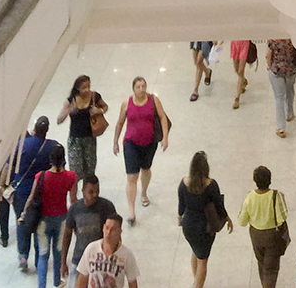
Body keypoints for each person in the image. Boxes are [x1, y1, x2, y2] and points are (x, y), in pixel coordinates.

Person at [18, 142, 77, 288]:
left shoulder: (41, 176)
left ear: (50, 159)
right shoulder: (71, 177)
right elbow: (73, 201)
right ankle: (57, 282)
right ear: (63, 158)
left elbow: (31, 197)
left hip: (43, 220)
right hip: (61, 219)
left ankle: (41, 285)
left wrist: (23, 214)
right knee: (58, 253)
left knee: (43, 255)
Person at [112, 75, 169, 226]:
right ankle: (131, 211)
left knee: (146, 169)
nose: (141, 89)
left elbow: (162, 117)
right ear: (133, 89)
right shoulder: (127, 103)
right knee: (132, 176)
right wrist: (115, 141)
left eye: (143, 86)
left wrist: (165, 137)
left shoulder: (153, 100)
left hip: (149, 143)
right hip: (131, 144)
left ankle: (143, 193)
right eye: (138, 87)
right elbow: (119, 123)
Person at [0, 117, 54, 270]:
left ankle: (23, 256)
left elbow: (7, 168)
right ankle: (39, 259)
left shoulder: (21, 145)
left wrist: (3, 185)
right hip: (41, 192)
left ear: (34, 129)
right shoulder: (52, 146)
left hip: (22, 191)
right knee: (39, 224)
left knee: (22, 220)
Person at [178, 150, 233, 288]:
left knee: (195, 251)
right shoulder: (211, 185)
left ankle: (196, 281)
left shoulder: (184, 184)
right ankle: (198, 285)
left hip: (188, 226)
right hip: (205, 228)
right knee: (203, 260)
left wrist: (180, 219)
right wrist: (227, 218)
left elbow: (181, 207)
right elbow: (219, 206)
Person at [238, 165, 289, 288]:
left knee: (261, 263)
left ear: (255, 181)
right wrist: (283, 200)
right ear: (270, 180)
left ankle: (264, 284)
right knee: (271, 268)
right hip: (272, 236)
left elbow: (242, 221)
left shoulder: (249, 197)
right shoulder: (275, 195)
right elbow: (282, 218)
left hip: (256, 235)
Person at [60, 179, 117, 288]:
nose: (95, 195)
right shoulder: (74, 209)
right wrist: (63, 263)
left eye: (97, 191)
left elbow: (115, 233)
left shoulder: (107, 207)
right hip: (79, 259)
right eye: (91, 192)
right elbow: (67, 236)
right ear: (83, 191)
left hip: (100, 261)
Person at [58, 75, 108, 183]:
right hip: (75, 139)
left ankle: (87, 190)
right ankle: (74, 193)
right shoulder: (71, 100)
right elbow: (59, 120)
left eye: (88, 86)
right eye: (84, 87)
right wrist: (69, 110)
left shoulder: (94, 96)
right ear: (77, 88)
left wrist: (99, 111)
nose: (87, 90)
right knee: (75, 172)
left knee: (90, 171)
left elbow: (105, 106)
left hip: (89, 138)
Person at [76, 214, 139, 288]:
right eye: (107, 228)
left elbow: (132, 282)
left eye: (113, 229)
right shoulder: (91, 248)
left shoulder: (126, 254)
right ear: (103, 228)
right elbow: (82, 278)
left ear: (119, 231)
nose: (108, 233)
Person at [266, 39, 296, 138]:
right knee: (290, 90)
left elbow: (268, 55)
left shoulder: (272, 39)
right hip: (291, 70)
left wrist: (269, 66)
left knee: (279, 97)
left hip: (276, 70)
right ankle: (289, 113)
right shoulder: (291, 39)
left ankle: (281, 127)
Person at [230, 39, 252, 109]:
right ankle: (243, 80)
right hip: (234, 42)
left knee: (241, 71)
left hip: (244, 43)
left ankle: (237, 98)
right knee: (236, 69)